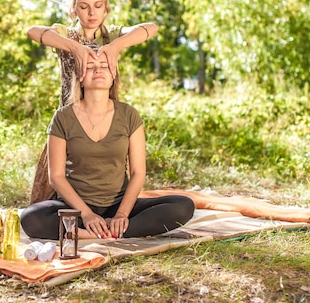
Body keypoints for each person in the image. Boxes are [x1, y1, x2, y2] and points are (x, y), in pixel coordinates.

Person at [20, 54, 194, 240]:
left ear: (113, 76)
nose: (98, 70)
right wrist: (86, 214)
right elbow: (56, 177)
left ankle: (105, 231)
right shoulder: (62, 117)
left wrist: (121, 215)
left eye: (104, 65)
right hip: (75, 208)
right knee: (31, 218)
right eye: (90, 66)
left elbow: (137, 172)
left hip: (119, 205)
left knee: (183, 205)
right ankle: (104, 234)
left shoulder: (129, 114)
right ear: (80, 76)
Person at [27, 0, 159, 204]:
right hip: (68, 125)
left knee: (108, 187)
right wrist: (74, 47)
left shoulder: (113, 35)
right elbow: (33, 31)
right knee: (44, 203)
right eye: (84, 6)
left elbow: (152, 28)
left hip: (107, 121)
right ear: (74, 10)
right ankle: (78, 220)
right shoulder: (66, 35)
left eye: (98, 5)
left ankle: (112, 214)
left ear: (106, 8)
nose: (91, 13)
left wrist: (116, 46)